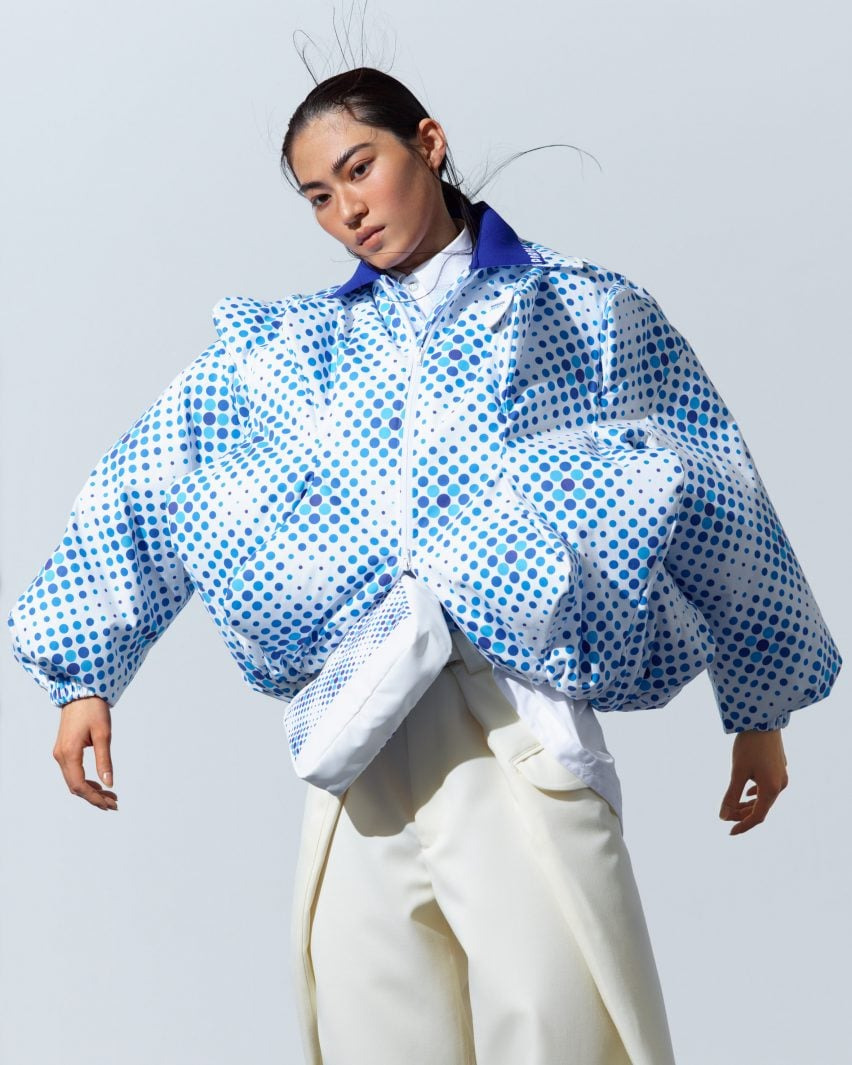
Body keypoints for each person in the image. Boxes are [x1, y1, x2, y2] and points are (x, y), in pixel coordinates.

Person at [7, 63, 842, 1065]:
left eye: (360, 169)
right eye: (319, 197)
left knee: (562, 1029)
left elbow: (713, 487)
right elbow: (153, 472)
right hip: (359, 736)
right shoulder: (294, 351)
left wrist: (760, 709)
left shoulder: (581, 311)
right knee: (377, 1033)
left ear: (429, 144)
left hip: (516, 718)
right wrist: (85, 674)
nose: (347, 211)